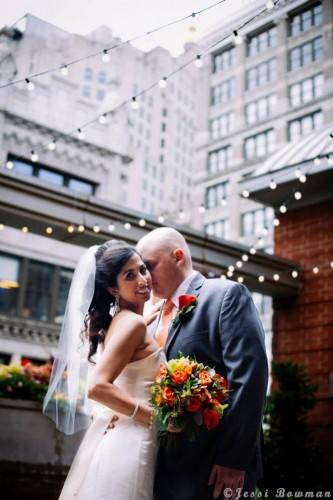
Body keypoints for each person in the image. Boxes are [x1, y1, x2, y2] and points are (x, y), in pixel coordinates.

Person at [137, 227, 268, 500]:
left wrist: (234, 458)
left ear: (179, 256)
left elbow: (249, 380)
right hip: (158, 466)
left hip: (212, 466)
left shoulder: (226, 295)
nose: (145, 278)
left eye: (149, 266)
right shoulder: (149, 317)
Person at [43, 240, 165, 500]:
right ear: (113, 288)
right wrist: (155, 418)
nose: (143, 280)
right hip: (133, 440)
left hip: (117, 435)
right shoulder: (131, 324)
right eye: (129, 276)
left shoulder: (119, 323)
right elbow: (97, 387)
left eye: (143, 269)